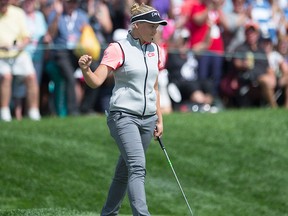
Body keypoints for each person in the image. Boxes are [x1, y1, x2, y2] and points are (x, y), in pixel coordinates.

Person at [78, 3, 165, 215]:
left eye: (158, 26)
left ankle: (108, 213)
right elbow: (96, 81)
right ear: (136, 25)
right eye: (151, 25)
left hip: (148, 119)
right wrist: (86, 69)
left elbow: (154, 87)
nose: (156, 30)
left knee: (124, 171)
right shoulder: (118, 48)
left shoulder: (155, 49)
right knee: (137, 166)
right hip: (123, 117)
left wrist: (159, 119)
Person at [0, 0, 41, 122]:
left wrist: (19, 45)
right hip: (1, 55)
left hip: (19, 53)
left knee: (31, 77)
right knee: (6, 77)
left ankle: (34, 111)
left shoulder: (17, 13)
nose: (4, 4)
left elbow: (26, 37)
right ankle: (4, 111)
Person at [232, 21, 276, 107]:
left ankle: (286, 107)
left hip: (264, 76)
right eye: (248, 33)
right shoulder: (241, 48)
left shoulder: (261, 49)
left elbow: (267, 67)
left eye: (253, 33)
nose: (251, 35)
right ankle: (274, 106)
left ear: (257, 34)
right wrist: (243, 64)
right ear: (245, 34)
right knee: (265, 81)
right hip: (250, 78)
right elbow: (236, 63)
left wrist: (272, 76)